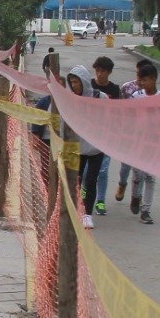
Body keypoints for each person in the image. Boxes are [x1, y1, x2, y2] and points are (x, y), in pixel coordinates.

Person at [65, 65, 105, 229]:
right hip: (77, 147)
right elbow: (64, 122)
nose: (74, 85)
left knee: (91, 180)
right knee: (76, 180)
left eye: (77, 82)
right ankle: (75, 209)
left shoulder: (100, 97)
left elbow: (109, 118)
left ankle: (88, 214)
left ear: (84, 81)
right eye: (72, 82)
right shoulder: (70, 99)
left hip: (96, 147)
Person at [114, 57, 156, 207]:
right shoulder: (127, 88)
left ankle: (139, 199)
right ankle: (122, 184)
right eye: (140, 74)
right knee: (126, 165)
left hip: (148, 137)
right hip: (129, 134)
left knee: (146, 171)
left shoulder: (155, 94)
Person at [126, 62, 160, 224]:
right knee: (138, 174)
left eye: (145, 80)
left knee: (150, 177)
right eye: (141, 80)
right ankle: (135, 196)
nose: (142, 83)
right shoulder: (136, 96)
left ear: (154, 79)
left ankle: (146, 210)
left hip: (154, 144)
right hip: (138, 143)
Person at [90, 57, 123, 216]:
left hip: (107, 134)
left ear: (109, 72)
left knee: (102, 170)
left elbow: (117, 112)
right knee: (87, 171)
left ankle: (101, 201)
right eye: (97, 70)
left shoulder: (115, 89)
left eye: (103, 71)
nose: (99, 74)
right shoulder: (89, 85)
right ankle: (85, 197)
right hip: (90, 133)